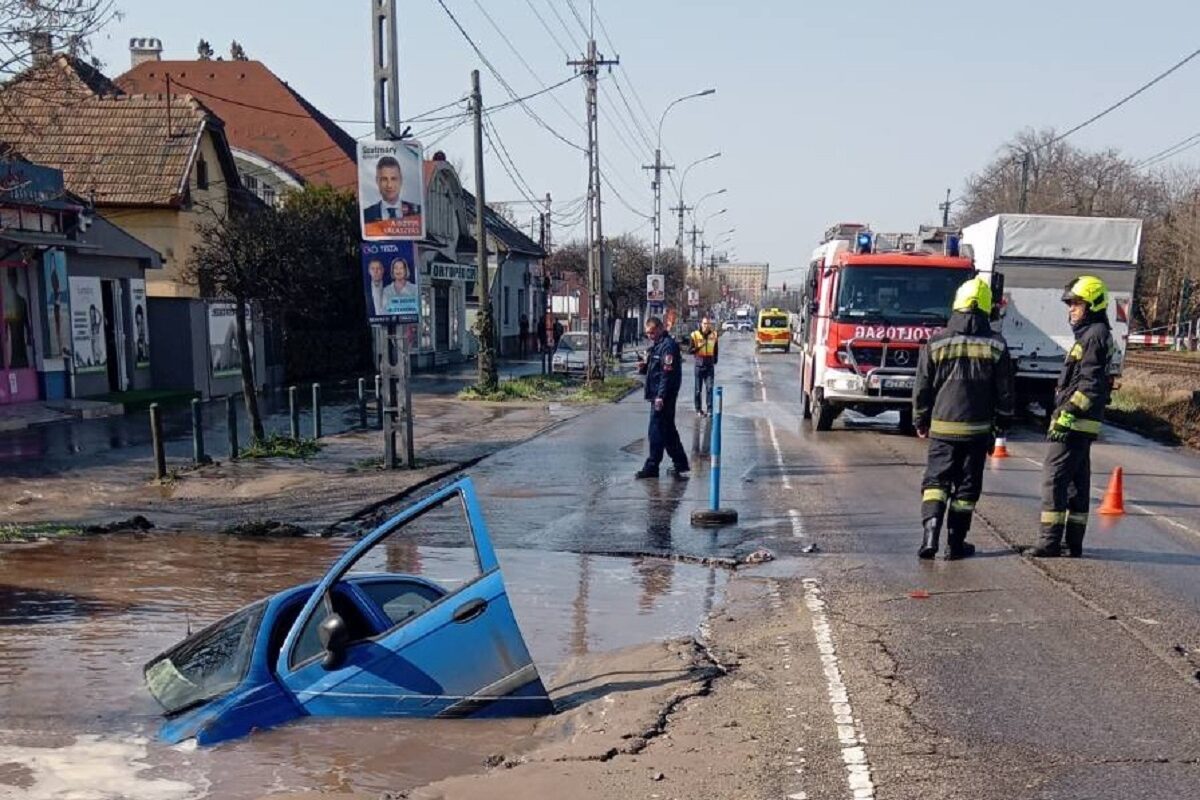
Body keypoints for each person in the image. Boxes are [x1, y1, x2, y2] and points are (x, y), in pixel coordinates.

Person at [913, 277, 1014, 560]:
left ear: (956, 305)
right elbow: (1005, 391)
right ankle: (955, 544)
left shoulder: (936, 343)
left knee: (935, 483)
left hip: (942, 429)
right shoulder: (996, 345)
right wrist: (1002, 423)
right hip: (977, 432)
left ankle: (929, 537)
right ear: (986, 308)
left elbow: (921, 386)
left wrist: (920, 419)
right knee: (966, 490)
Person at [1030, 276, 1114, 558]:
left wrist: (1066, 415)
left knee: (1054, 478)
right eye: (1070, 304)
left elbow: (1089, 385)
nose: (1071, 310)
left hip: (1075, 422)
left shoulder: (1094, 336)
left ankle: (1049, 541)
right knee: (1077, 482)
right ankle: (1072, 542)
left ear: (1092, 305)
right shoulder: (1094, 334)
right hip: (1083, 423)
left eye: (1077, 304)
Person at [636, 316, 690, 480]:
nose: (650, 336)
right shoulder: (658, 346)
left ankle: (652, 465)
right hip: (657, 395)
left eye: (652, 333)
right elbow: (655, 370)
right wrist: (644, 367)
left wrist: (660, 396)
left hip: (663, 396)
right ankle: (680, 462)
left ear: (659, 329)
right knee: (667, 430)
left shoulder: (668, 347)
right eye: (648, 334)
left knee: (656, 431)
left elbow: (666, 375)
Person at [362, 156, 421, 225]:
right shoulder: (366, 215)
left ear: (401, 180)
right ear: (377, 181)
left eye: (393, 179)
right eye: (384, 179)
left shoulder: (418, 212)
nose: (389, 185)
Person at [690, 316, 719, 417]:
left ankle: (709, 409)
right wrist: (698, 348)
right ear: (701, 324)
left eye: (707, 323)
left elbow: (715, 349)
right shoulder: (695, 335)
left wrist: (715, 359)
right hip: (699, 365)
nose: (706, 325)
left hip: (709, 365)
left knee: (709, 388)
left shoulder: (714, 335)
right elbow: (690, 350)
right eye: (704, 323)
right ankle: (698, 409)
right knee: (698, 390)